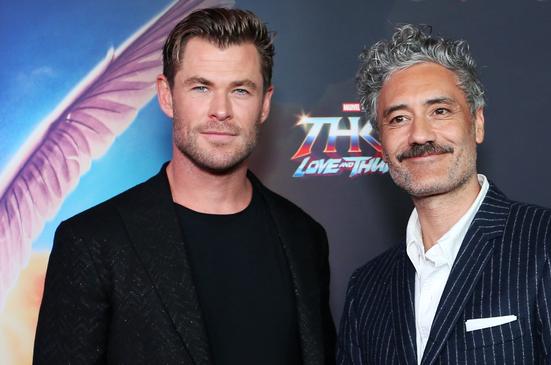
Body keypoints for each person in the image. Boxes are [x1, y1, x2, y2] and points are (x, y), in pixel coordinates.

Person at [34, 8, 335, 364]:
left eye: (240, 90)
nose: (220, 110)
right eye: (201, 87)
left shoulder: (305, 237)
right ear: (166, 95)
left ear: (264, 104)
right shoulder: (92, 243)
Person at [337, 24, 551, 364]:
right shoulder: (367, 288)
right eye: (399, 118)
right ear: (381, 143)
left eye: (440, 111)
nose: (419, 135)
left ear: (477, 123)